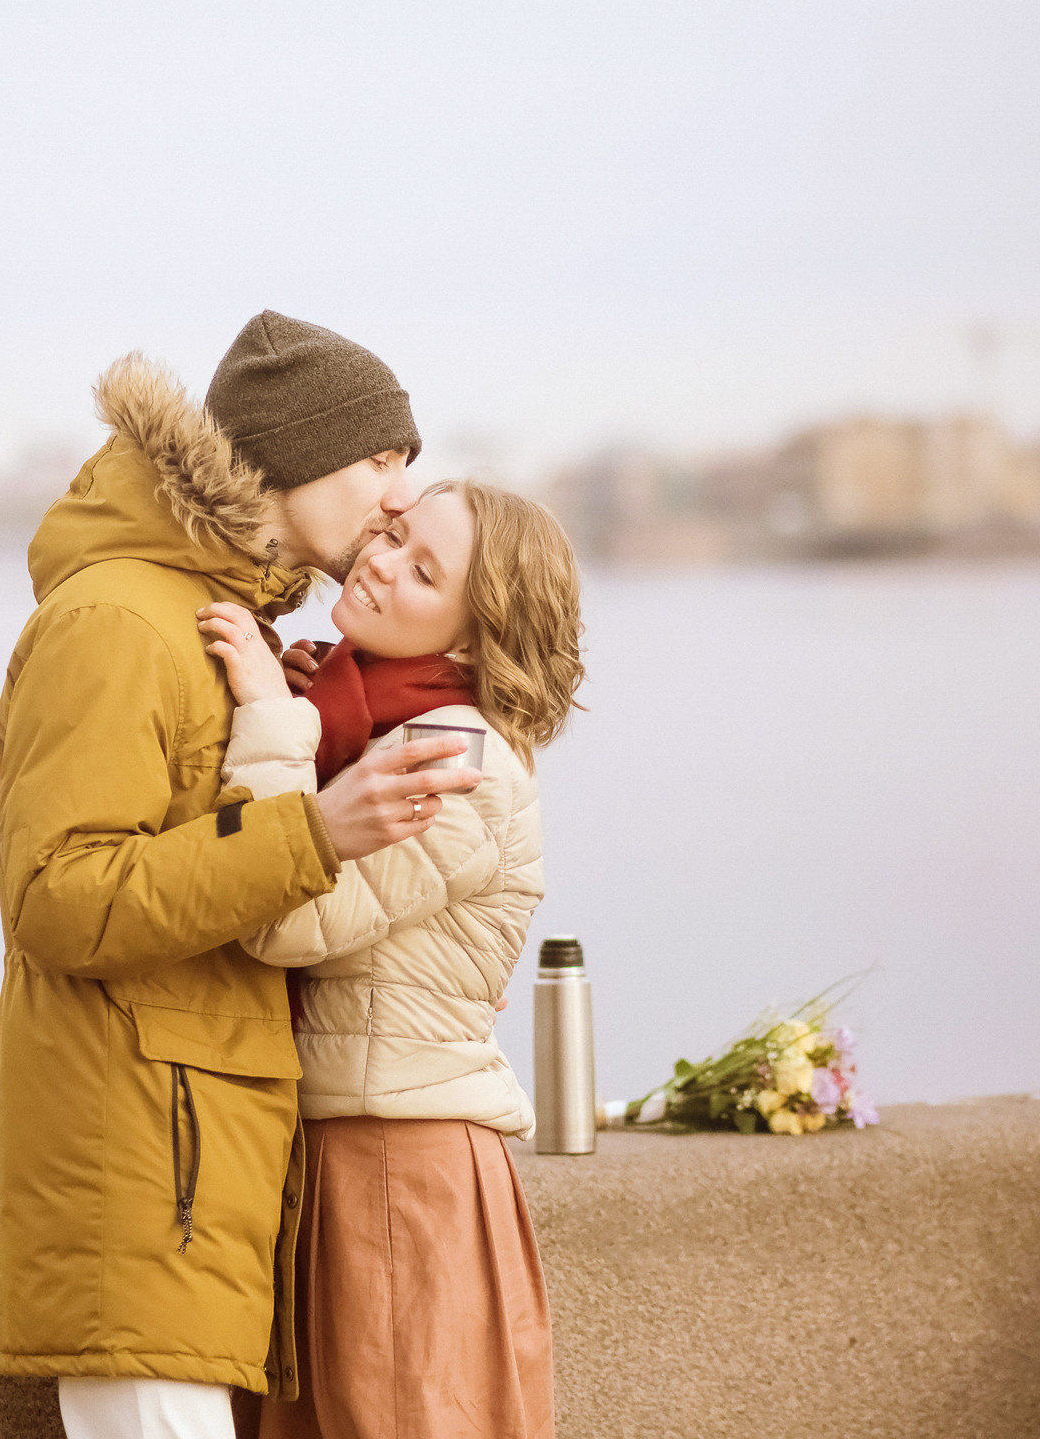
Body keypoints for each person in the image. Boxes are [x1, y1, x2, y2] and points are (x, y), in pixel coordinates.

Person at [0, 311, 487, 1439]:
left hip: (197, 1166)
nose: (400, 496)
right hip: (140, 1174)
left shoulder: (219, 626)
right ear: (298, 451)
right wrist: (313, 835)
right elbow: (57, 900)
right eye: (382, 458)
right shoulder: (118, 620)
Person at [196, 477, 586, 1439]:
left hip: (394, 1165)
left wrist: (271, 719)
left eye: (424, 572)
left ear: (474, 638)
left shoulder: (450, 758)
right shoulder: (359, 712)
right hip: (346, 1149)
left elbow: (280, 923)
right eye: (395, 536)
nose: (378, 564)